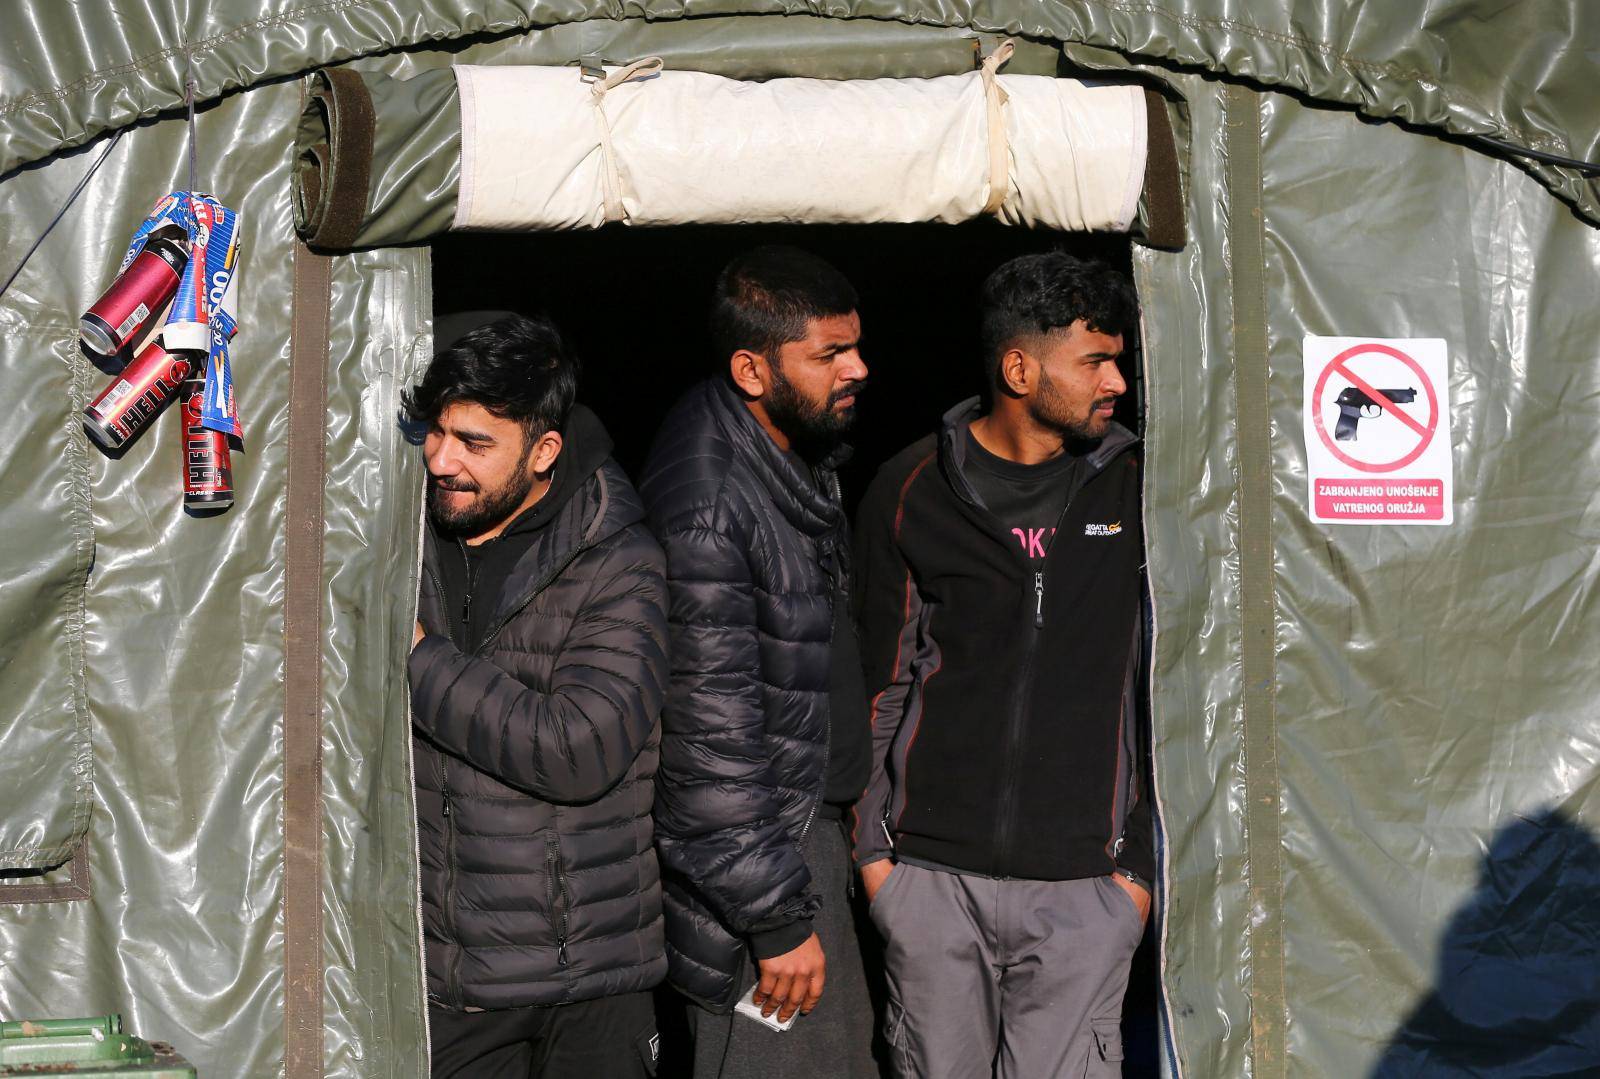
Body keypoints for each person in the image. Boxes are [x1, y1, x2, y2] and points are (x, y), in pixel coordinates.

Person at [853, 252, 1155, 1078]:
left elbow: (1174, 690)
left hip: (1086, 890)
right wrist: (876, 860)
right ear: (1019, 367)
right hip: (931, 885)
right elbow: (877, 685)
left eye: (1117, 360)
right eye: (1095, 360)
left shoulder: (1140, 488)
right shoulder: (912, 487)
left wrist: (1134, 872)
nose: (1117, 382)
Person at [404, 311, 670, 1078]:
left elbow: (576, 747)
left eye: (475, 443)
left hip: (586, 981)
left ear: (545, 449)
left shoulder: (618, 560)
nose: (442, 460)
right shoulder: (403, 540)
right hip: (449, 984)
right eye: (437, 431)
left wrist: (417, 660)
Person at [639, 246, 877, 1077]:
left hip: (798, 837)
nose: (858, 368)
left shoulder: (790, 455)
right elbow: (707, 741)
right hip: (765, 865)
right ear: (752, 367)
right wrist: (777, 920)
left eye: (854, 346)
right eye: (828, 355)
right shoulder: (709, 501)